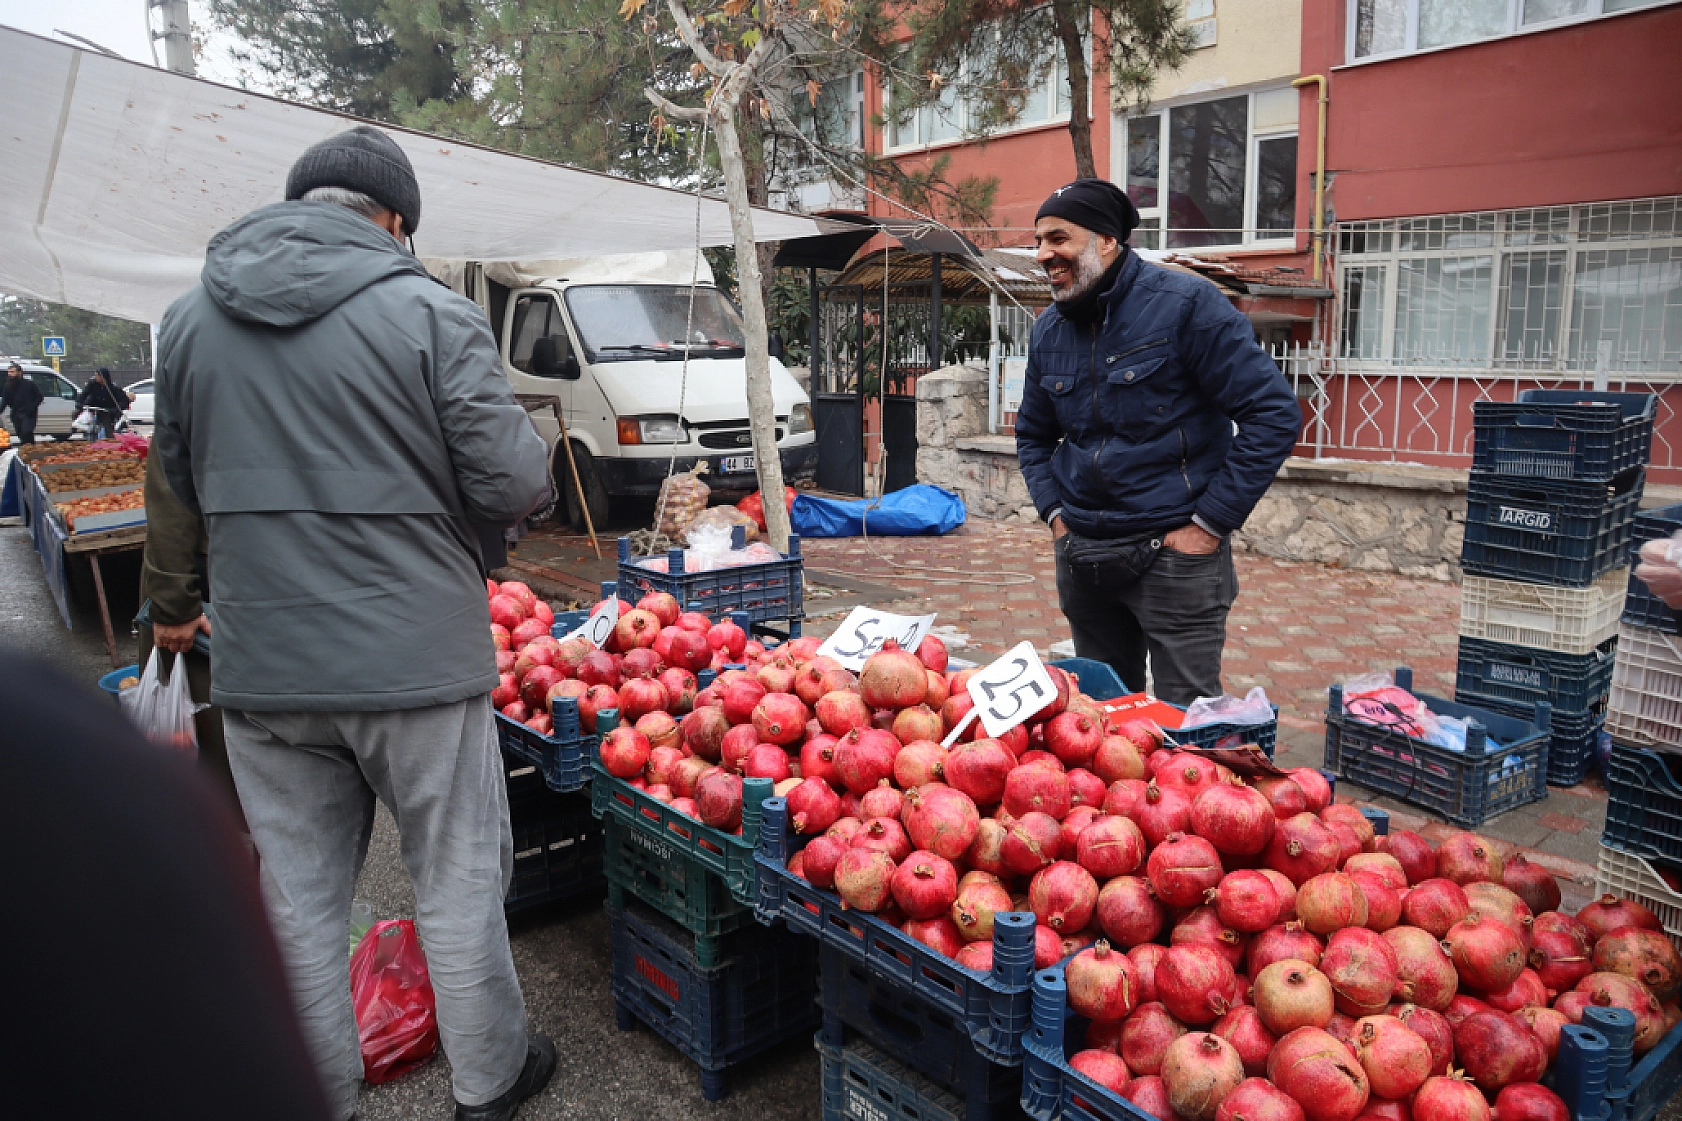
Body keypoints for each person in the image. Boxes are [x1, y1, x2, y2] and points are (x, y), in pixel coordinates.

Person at [153, 126, 555, 1121]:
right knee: (457, 879)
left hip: (265, 666)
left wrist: (170, 607)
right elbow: (514, 478)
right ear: (394, 222)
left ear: (299, 203)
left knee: (295, 902)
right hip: (416, 661)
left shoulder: (190, 320)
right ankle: (488, 1080)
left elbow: (170, 486)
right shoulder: (430, 313)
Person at [0, 650, 334, 1120]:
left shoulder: (37, 740)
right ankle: (475, 1099)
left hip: (263, 677)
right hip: (377, 674)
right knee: (445, 873)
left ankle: (344, 1096)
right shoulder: (47, 753)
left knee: (303, 896)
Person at [1014, 179, 1302, 705]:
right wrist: (1055, 516)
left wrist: (1209, 525)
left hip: (1175, 560)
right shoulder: (1049, 330)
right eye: (1038, 241)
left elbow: (1273, 415)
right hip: (1084, 559)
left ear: (1106, 240)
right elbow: (1032, 435)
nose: (1042, 254)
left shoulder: (1187, 306)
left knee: (1187, 726)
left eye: (1058, 238)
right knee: (1099, 722)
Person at [140, 447, 248, 834]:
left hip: (259, 580)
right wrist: (173, 603)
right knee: (214, 761)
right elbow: (171, 475)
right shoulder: (202, 387)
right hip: (209, 585)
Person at [76, 365, 130, 439]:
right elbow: (83, 394)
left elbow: (125, 401)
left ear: (103, 377)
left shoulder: (113, 388)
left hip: (106, 411)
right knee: (77, 415)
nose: (95, 377)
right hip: (92, 408)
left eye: (97, 375)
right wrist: (79, 403)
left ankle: (110, 440)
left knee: (108, 426)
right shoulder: (92, 384)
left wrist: (115, 410)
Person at [1, 361, 43, 444]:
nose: (10, 374)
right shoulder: (7, 386)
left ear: (19, 373)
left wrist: (32, 407)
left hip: (28, 414)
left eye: (12, 372)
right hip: (16, 414)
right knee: (20, 434)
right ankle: (26, 449)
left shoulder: (29, 384)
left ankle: (30, 448)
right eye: (9, 372)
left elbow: (39, 397)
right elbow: (4, 401)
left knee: (26, 431)